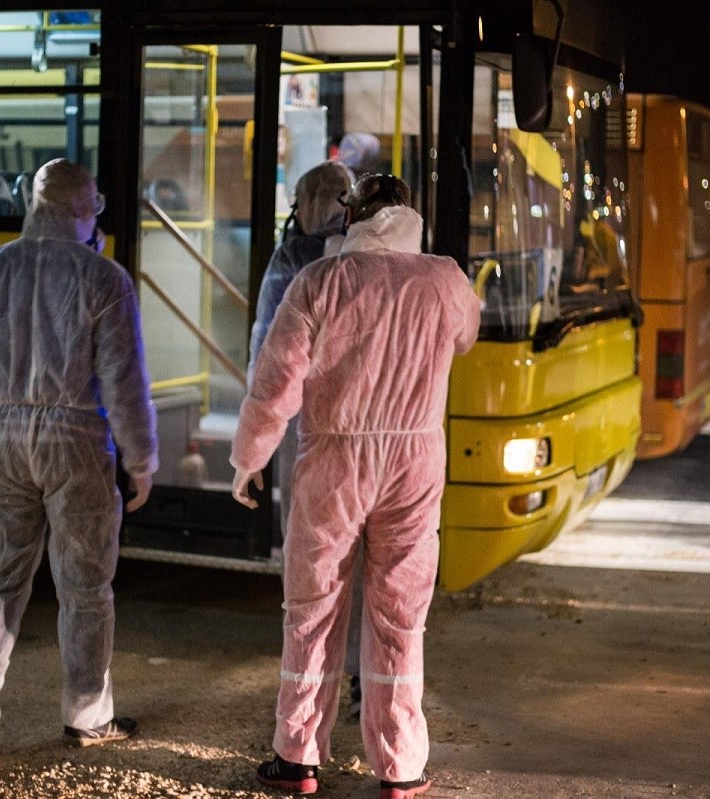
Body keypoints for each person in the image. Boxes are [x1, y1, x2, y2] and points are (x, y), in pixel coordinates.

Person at [230, 173, 481, 798]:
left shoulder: (318, 282)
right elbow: (466, 337)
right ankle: (400, 767)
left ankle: (298, 756)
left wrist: (248, 458)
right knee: (400, 614)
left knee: (313, 609)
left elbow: (274, 385)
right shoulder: (444, 279)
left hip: (332, 463)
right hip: (416, 460)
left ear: (355, 218)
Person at [0, 158, 157, 760]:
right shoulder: (104, 278)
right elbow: (124, 383)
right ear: (83, 210)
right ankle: (87, 715)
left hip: (3, 434)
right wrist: (141, 459)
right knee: (86, 585)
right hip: (76, 439)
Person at [247, 160, 368, 722]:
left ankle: (310, 695)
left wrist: (255, 445)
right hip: (373, 432)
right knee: (371, 558)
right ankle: (364, 677)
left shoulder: (292, 261)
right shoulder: (374, 257)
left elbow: (268, 357)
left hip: (310, 432)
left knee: (312, 561)